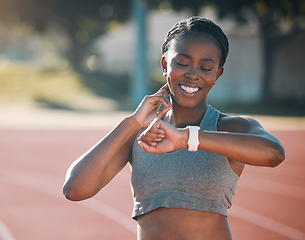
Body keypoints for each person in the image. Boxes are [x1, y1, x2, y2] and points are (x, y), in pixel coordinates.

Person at [63, 16, 285, 240]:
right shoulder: (141, 134)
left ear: (217, 74)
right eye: (182, 63)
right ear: (164, 65)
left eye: (206, 67)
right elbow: (75, 189)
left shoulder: (229, 127)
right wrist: (131, 123)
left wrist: (186, 138)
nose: (193, 74)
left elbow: (274, 153)